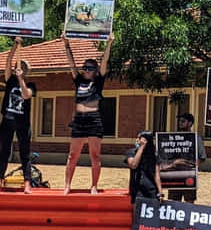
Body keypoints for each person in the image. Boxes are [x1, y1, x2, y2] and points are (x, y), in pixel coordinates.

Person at [61, 31, 114, 194]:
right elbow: (71, 64)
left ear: (95, 71)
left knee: (95, 156)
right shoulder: (79, 81)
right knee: (72, 155)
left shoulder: (98, 82)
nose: (86, 70)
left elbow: (104, 62)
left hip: (94, 120)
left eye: (89, 68)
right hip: (79, 121)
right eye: (85, 67)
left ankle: (94, 186)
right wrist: (66, 44)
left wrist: (109, 44)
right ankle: (67, 185)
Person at [0, 37, 36, 194]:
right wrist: (15, 46)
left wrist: (21, 79)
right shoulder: (9, 81)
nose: (20, 68)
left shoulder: (31, 85)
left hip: (22, 123)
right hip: (8, 120)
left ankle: (27, 184)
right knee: (4, 151)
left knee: (25, 153)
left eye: (23, 67)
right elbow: (8, 61)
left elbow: (26, 95)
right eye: (19, 65)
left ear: (27, 71)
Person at [167, 113, 207, 203]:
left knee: (189, 202)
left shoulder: (196, 139)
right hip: (175, 176)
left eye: (183, 121)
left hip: (189, 176)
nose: (180, 123)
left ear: (190, 123)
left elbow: (203, 157)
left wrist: (195, 164)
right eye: (179, 121)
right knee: (174, 203)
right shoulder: (173, 138)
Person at [125, 131, 163, 204]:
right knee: (137, 213)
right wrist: (141, 148)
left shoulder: (153, 155)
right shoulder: (131, 152)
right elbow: (133, 165)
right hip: (137, 190)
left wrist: (160, 193)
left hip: (151, 189)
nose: (137, 140)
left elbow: (156, 175)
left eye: (139, 139)